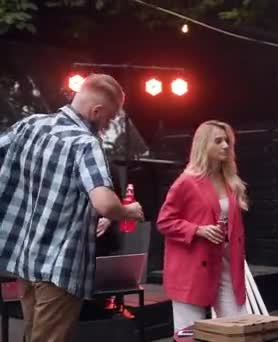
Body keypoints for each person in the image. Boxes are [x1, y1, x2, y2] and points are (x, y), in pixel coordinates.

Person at [0, 73, 144, 342]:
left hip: (25, 261)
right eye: (109, 118)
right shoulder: (84, 144)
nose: (107, 124)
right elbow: (104, 202)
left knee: (33, 335)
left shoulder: (30, 125)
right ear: (96, 110)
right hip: (60, 266)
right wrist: (128, 211)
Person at [156, 120, 249, 332]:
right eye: (218, 141)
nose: (226, 145)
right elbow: (164, 221)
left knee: (238, 328)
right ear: (203, 145)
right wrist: (198, 230)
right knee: (188, 334)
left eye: (227, 140)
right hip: (192, 267)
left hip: (226, 264)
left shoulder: (229, 180)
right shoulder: (186, 182)